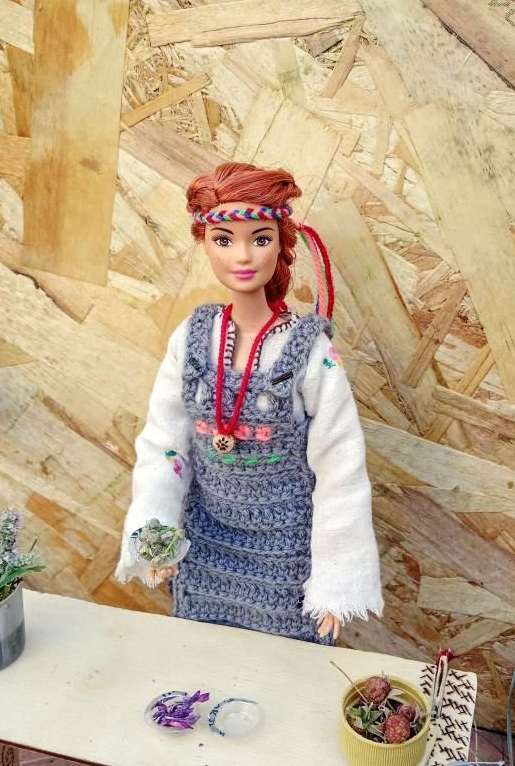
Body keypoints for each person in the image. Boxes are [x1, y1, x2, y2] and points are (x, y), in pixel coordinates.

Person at [114, 161, 383, 645]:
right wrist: (156, 534)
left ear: (281, 243)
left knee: (286, 663)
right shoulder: (192, 338)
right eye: (223, 240)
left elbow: (340, 465)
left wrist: (337, 580)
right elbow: (164, 444)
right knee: (205, 651)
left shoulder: (310, 351)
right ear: (204, 242)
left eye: (260, 239)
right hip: (206, 541)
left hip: (287, 553)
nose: (242, 255)